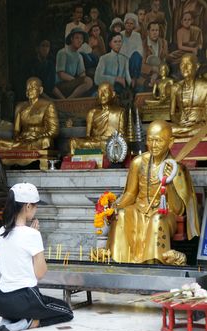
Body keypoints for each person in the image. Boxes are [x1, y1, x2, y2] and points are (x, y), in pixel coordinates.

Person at [107, 120, 200, 264]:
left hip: (165, 213)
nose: (153, 145)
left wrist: (168, 183)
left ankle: (154, 262)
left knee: (157, 220)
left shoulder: (177, 168)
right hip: (140, 209)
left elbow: (179, 210)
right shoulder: (138, 162)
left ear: (170, 142)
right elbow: (131, 194)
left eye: (158, 141)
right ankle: (118, 261)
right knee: (122, 215)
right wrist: (116, 206)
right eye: (150, 140)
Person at [0, 182, 73, 331]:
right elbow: (40, 273)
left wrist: (32, 236)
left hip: (1, 301)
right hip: (24, 298)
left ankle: (10, 318)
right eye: (35, 206)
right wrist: (36, 240)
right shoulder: (32, 235)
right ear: (28, 206)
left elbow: (17, 255)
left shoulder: (2, 231)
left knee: (49, 304)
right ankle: (29, 323)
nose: (36, 209)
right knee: (66, 311)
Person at [0, 77, 59, 150]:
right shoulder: (20, 106)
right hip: (23, 139)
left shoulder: (48, 105)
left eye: (32, 88)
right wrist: (20, 137)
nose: (29, 91)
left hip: (39, 139)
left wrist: (38, 135)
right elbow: (16, 131)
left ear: (40, 90)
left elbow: (54, 130)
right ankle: (20, 147)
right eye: (27, 88)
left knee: (46, 142)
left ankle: (17, 147)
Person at [69, 82, 126, 154]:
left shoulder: (120, 112)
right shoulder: (92, 113)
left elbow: (122, 137)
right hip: (96, 142)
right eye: (99, 92)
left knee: (109, 144)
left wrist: (112, 141)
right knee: (73, 142)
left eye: (105, 91)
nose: (102, 95)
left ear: (113, 94)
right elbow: (88, 136)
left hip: (110, 143)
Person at [171, 53, 207, 137]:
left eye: (189, 64)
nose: (185, 68)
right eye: (182, 64)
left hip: (199, 125)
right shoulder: (175, 87)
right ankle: (188, 132)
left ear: (197, 66)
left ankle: (190, 132)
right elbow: (172, 114)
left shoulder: (205, 86)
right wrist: (179, 122)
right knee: (166, 129)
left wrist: (198, 121)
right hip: (182, 126)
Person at [55, 28, 93, 99]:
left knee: (89, 82)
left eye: (81, 38)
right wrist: (76, 81)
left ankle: (70, 99)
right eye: (77, 38)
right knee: (88, 81)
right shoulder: (63, 52)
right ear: (71, 39)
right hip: (61, 84)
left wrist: (81, 81)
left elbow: (82, 74)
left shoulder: (79, 56)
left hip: (71, 83)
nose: (79, 40)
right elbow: (61, 74)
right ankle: (69, 100)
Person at [140, 21, 168, 90]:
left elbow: (165, 60)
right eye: (152, 30)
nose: (155, 33)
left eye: (157, 30)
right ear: (148, 32)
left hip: (160, 73)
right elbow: (141, 66)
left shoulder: (164, 43)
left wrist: (157, 73)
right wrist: (152, 69)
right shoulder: (143, 44)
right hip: (146, 75)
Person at [120, 13, 143, 89]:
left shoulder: (137, 35)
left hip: (133, 61)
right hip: (122, 60)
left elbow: (140, 51)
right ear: (124, 24)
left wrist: (130, 58)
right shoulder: (120, 35)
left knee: (136, 55)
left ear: (134, 25)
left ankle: (134, 79)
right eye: (127, 23)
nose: (129, 25)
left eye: (131, 23)